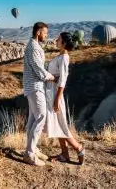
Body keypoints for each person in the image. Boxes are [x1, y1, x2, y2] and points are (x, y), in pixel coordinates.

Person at [45, 32, 85, 164]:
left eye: (59, 39)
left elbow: (63, 79)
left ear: (64, 43)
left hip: (55, 93)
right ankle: (64, 154)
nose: (56, 40)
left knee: (60, 125)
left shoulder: (64, 58)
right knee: (58, 124)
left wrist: (57, 98)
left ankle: (78, 148)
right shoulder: (61, 56)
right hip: (52, 92)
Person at [22, 22, 56, 166]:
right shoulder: (34, 48)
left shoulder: (33, 46)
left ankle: (32, 149)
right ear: (38, 32)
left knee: (32, 120)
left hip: (32, 87)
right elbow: (39, 71)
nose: (46, 36)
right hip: (35, 87)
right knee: (41, 117)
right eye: (45, 33)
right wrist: (52, 77)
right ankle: (29, 154)